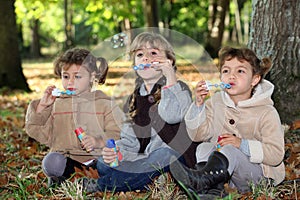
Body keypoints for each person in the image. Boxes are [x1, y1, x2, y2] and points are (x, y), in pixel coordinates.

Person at [83, 31, 199, 192]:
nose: (145, 58)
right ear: (135, 63)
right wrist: (117, 152)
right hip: (146, 158)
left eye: (153, 53)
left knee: (163, 156)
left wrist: (170, 75)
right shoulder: (134, 99)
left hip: (179, 156)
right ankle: (156, 179)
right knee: (103, 163)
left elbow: (172, 116)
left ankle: (102, 185)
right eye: (139, 54)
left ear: (169, 61)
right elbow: (130, 141)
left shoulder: (179, 89)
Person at [170, 47, 285, 196]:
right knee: (203, 147)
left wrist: (241, 144)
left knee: (230, 149)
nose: (231, 76)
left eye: (240, 71)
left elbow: (276, 154)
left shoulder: (266, 112)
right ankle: (211, 191)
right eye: (226, 71)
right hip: (228, 178)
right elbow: (197, 136)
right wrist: (198, 105)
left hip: (257, 176)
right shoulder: (216, 102)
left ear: (255, 79)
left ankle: (200, 181)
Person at [25, 48, 123, 187]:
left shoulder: (104, 104)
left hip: (97, 161)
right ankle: (66, 181)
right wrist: (42, 106)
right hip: (68, 160)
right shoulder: (57, 104)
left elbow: (118, 133)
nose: (70, 82)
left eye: (77, 77)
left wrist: (98, 141)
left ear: (92, 76)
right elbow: (38, 132)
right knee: (51, 161)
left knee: (112, 163)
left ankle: (96, 182)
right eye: (66, 76)